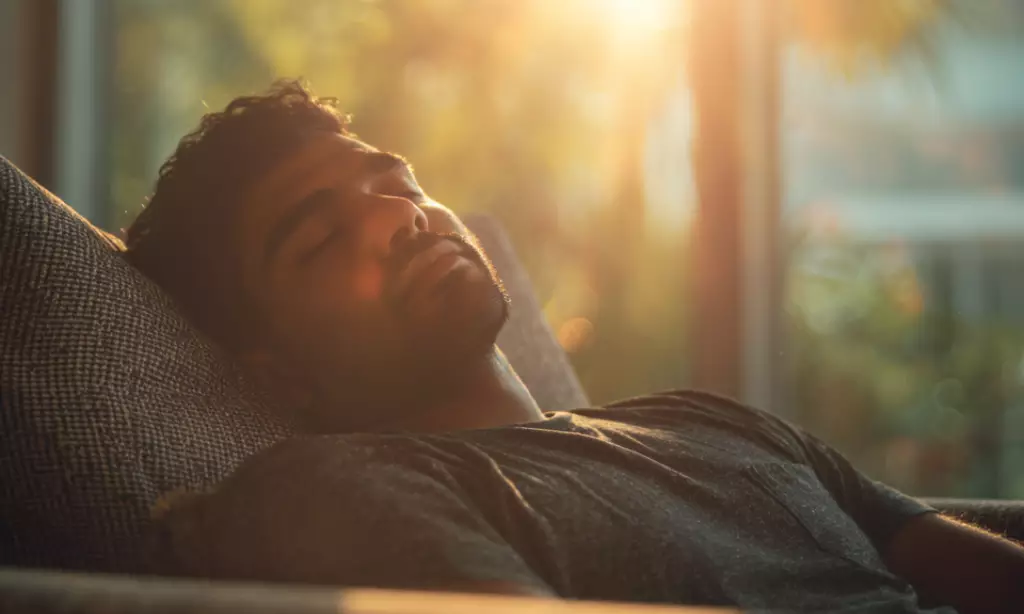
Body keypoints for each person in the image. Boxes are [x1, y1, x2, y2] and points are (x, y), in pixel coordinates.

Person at [129, 81, 1023, 613]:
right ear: (282, 373)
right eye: (320, 240)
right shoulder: (333, 490)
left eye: (393, 181)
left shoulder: (706, 423)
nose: (401, 216)